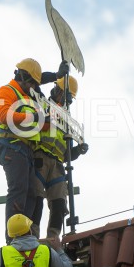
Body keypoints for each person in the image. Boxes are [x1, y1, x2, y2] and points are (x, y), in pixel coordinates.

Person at [0, 58, 68, 243]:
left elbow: (35, 125)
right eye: (32, 82)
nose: (34, 86)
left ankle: (24, 234)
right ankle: (13, 238)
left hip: (25, 150)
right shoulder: (5, 91)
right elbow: (4, 116)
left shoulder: (27, 97)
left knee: (31, 194)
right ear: (23, 77)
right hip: (11, 146)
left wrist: (46, 122)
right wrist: (35, 116)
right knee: (18, 190)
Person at [30, 76, 89, 240]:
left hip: (57, 164)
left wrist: (78, 150)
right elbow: (34, 85)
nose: (57, 92)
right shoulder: (42, 104)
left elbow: (66, 154)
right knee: (36, 197)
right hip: (40, 156)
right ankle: (32, 235)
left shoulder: (67, 121)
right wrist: (56, 75)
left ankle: (53, 238)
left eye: (62, 92)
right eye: (57, 89)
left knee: (59, 203)